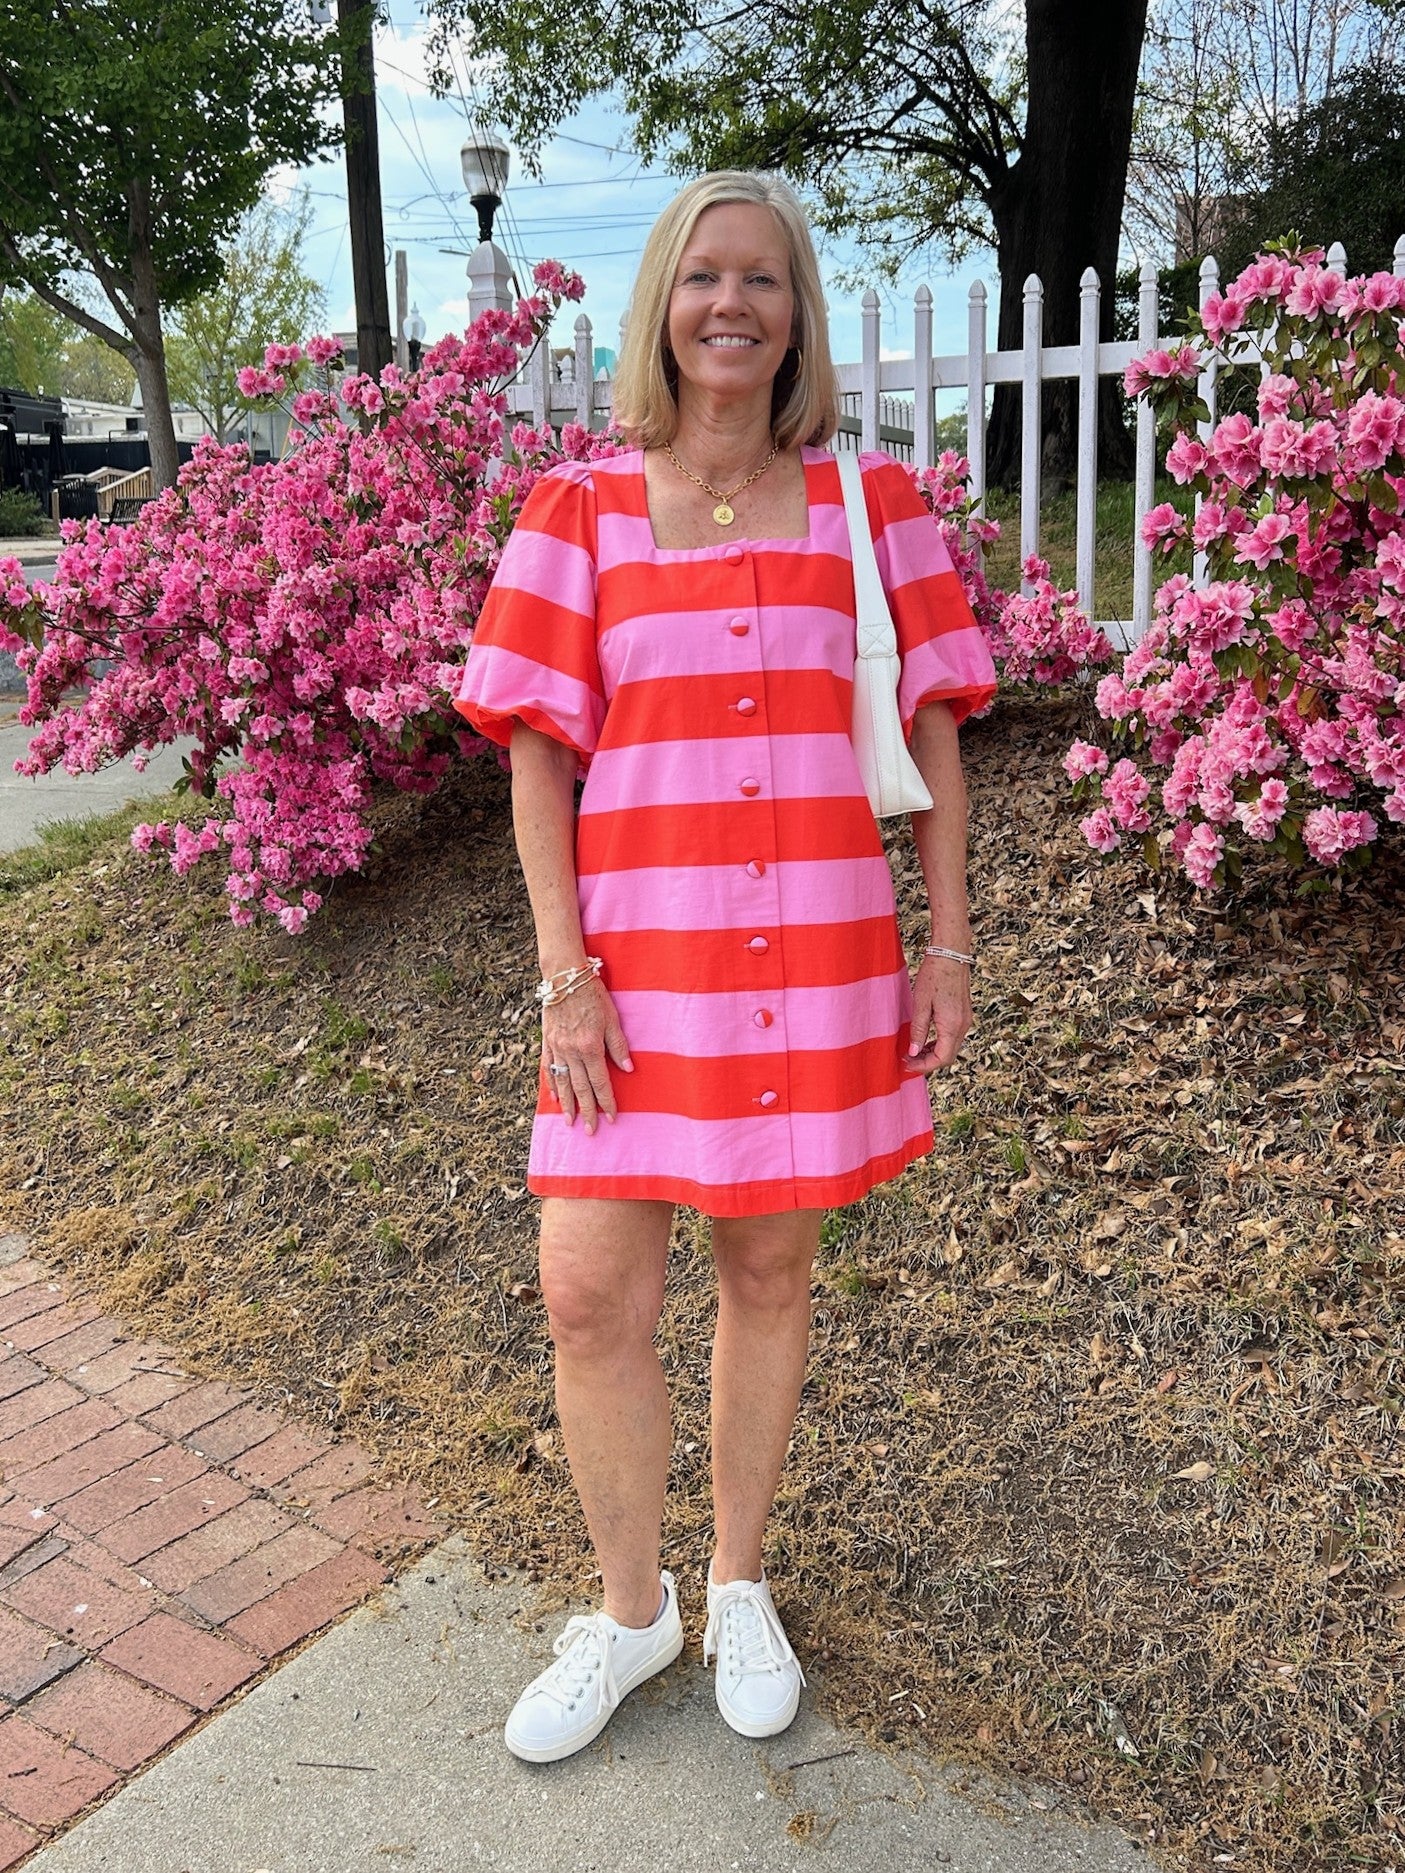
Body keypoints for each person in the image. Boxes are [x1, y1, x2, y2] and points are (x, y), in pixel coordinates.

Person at [455, 170, 996, 1764]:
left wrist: (947, 942)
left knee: (766, 1273)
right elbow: (537, 758)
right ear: (662, 307)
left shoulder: (869, 505)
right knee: (585, 1291)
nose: (731, 305)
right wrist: (564, 974)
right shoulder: (575, 511)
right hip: (631, 973)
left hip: (812, 956)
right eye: (704, 277)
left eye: (762, 279)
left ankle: (738, 1581)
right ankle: (632, 1613)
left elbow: (934, 742)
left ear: (795, 312)